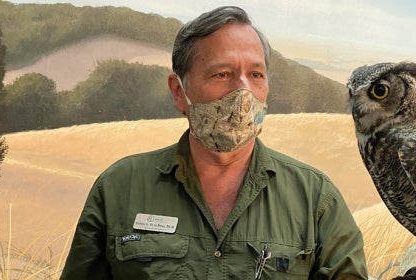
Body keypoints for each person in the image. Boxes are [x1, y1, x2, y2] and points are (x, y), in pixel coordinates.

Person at [60, 6, 367, 280]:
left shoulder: (316, 199)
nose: (243, 92)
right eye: (223, 74)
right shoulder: (118, 189)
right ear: (179, 91)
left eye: (256, 74)